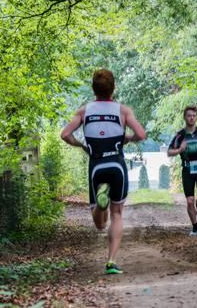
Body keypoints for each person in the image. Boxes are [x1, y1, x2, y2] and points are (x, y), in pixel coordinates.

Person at [61, 69, 146, 275]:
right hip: (117, 165)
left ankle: (101, 203)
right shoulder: (123, 110)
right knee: (117, 214)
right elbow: (141, 134)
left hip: (96, 166)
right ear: (113, 88)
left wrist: (81, 145)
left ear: (93, 88)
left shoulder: (83, 111)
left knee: (100, 224)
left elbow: (65, 134)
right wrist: (126, 138)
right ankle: (111, 261)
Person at [167, 105, 197, 236]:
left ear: (196, 117)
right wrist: (179, 150)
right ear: (185, 117)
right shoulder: (180, 135)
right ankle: (195, 227)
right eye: (189, 115)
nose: (192, 118)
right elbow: (169, 152)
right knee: (189, 200)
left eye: (194, 115)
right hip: (187, 169)